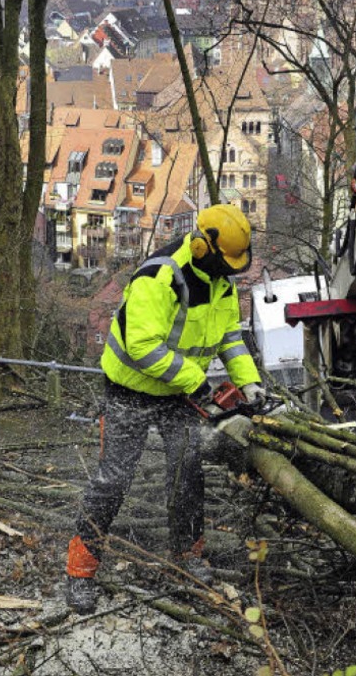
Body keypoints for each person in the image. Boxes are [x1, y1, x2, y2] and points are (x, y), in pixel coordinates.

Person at [66, 204, 265, 614]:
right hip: (131, 389)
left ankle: (188, 557)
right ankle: (80, 571)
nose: (230, 272)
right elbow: (141, 346)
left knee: (187, 470)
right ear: (200, 246)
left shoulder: (220, 282)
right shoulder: (159, 277)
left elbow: (229, 337)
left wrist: (249, 382)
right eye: (225, 262)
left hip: (177, 391)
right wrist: (196, 381)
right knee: (114, 479)